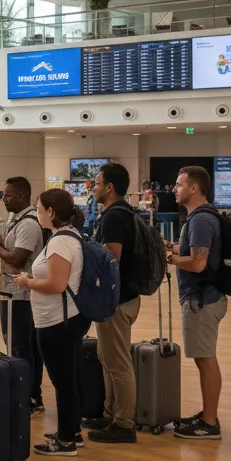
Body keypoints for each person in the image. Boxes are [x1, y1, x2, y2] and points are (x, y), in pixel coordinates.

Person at [13, 189, 89, 457]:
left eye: (39, 208)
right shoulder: (65, 238)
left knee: (64, 380)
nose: (37, 212)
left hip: (58, 321)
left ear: (51, 212)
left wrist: (27, 282)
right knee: (68, 377)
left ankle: (66, 439)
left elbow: (57, 284)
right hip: (63, 319)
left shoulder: (60, 243)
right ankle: (71, 432)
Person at [165, 166, 226, 440]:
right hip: (203, 297)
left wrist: (171, 259)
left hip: (202, 300)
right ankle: (206, 415)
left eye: (179, 185)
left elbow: (199, 263)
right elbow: (196, 253)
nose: (174, 189)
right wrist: (175, 248)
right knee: (204, 358)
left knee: (206, 360)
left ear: (194, 188)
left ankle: (210, 422)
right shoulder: (199, 218)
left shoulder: (200, 220)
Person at [87, 162, 139, 444]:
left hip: (117, 301)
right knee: (106, 356)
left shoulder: (113, 218)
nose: (93, 188)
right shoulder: (125, 213)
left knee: (117, 361)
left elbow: (111, 261)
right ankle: (111, 413)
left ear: (109, 187)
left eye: (97, 183)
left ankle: (124, 422)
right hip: (122, 299)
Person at [0, 177, 45, 414]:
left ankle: (31, 396)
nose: (4, 198)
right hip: (11, 293)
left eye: (9, 195)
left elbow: (17, 259)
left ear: (23, 196)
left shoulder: (28, 224)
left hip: (23, 296)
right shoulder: (16, 220)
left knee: (23, 347)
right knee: (18, 344)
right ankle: (27, 393)